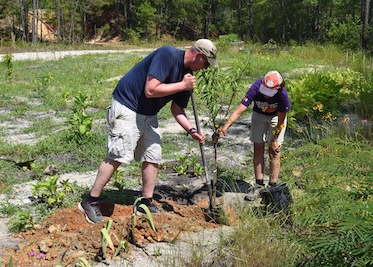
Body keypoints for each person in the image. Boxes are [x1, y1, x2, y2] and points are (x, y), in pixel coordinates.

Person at [79, 39, 218, 223]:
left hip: (148, 114)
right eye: (206, 64)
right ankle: (91, 201)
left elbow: (177, 109)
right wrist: (182, 85)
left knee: (153, 155)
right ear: (199, 56)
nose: (205, 68)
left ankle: (145, 202)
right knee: (118, 154)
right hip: (128, 107)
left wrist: (191, 130)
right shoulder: (167, 55)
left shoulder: (187, 76)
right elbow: (151, 90)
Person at [218, 70, 290, 199]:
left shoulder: (282, 95)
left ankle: (273, 185)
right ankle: (259, 184)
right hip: (259, 115)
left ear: (278, 88)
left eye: (270, 92)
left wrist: (274, 139)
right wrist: (225, 127)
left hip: (275, 118)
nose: (267, 96)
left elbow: (280, 121)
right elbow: (240, 109)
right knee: (258, 147)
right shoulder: (256, 87)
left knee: (274, 150)